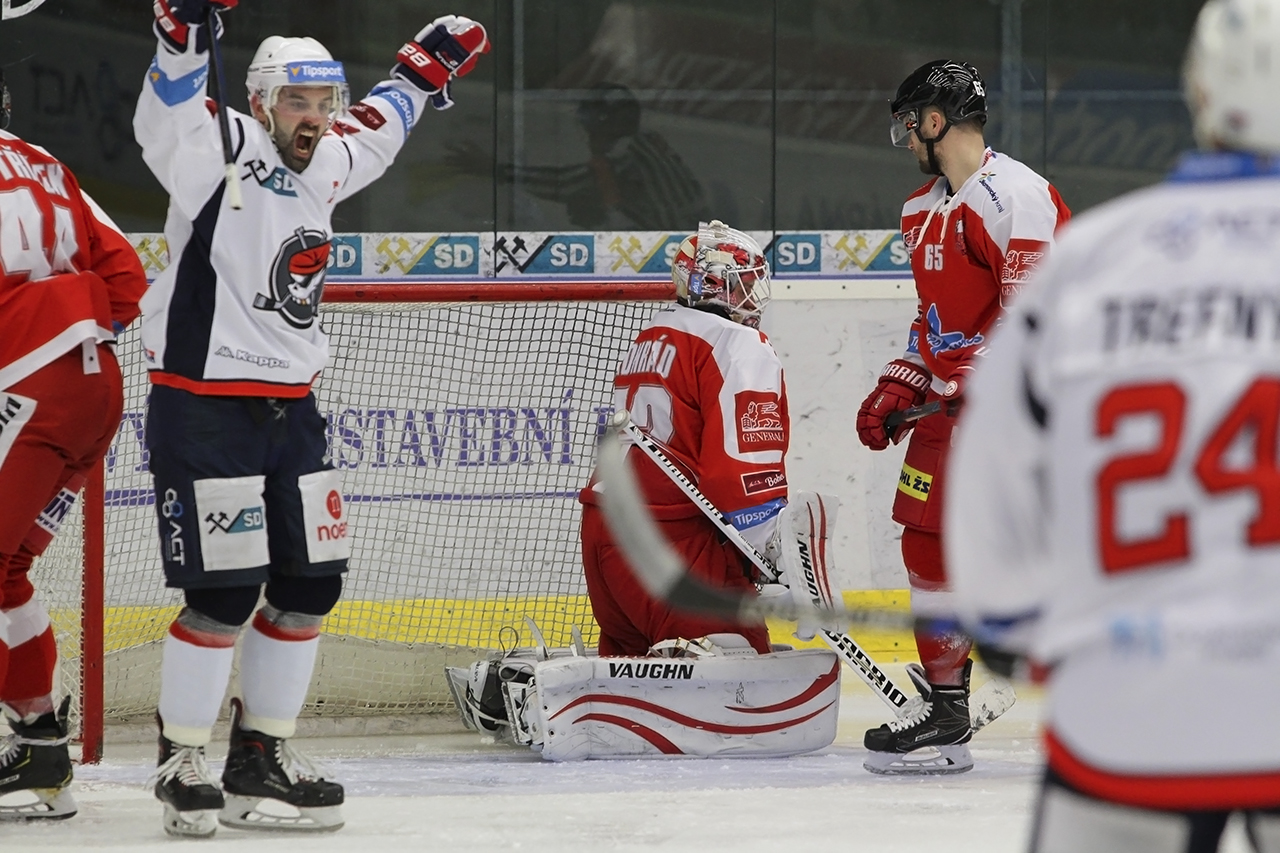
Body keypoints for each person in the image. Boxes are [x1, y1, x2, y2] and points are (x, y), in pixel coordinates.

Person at [133, 0, 487, 836]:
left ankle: (261, 755)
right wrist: (181, 31)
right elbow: (168, 107)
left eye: (325, 101)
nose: (316, 117)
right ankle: (182, 756)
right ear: (259, 100)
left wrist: (420, 75)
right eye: (298, 100)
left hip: (293, 411)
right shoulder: (218, 145)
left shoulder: (327, 156)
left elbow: (381, 125)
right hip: (204, 403)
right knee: (223, 593)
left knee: (310, 583)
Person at [947, 0, 1280, 847]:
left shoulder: (1090, 260)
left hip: (1134, 714)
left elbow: (992, 485)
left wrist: (1007, 619)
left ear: (1199, 92)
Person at [854, 59, 1070, 775]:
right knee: (925, 545)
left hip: (1027, 411)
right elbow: (934, 320)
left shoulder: (1017, 198)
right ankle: (947, 710)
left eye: (909, 123)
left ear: (935, 120)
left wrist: (978, 377)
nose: (906, 138)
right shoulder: (920, 211)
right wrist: (901, 381)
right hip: (957, 410)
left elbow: (1034, 320)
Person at [0, 67, 148, 820]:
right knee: (8, 570)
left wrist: (26, 353)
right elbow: (127, 279)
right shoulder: (48, 164)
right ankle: (41, 747)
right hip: (93, 391)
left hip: (24, 387)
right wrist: (63, 337)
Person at [579, 219, 786, 656]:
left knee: (630, 681)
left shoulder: (651, 335)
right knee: (740, 669)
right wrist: (778, 560)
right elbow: (741, 471)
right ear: (713, 287)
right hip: (669, 545)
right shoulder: (736, 343)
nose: (751, 298)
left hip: (602, 536)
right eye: (743, 285)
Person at [448, 83, 710, 230]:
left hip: (675, 253)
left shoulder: (622, 157)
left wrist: (496, 169)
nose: (588, 135)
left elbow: (562, 183)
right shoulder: (651, 144)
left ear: (604, 124)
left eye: (589, 125)